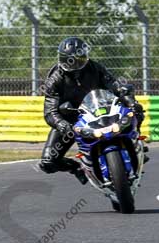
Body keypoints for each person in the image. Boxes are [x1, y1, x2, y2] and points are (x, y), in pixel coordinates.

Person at [40, 37, 146, 183]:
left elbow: (114, 85)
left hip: (101, 108)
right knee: (48, 162)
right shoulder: (54, 80)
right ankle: (77, 168)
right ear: (61, 58)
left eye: (79, 58)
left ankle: (136, 142)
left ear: (85, 56)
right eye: (69, 59)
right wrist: (61, 124)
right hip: (72, 119)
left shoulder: (94, 67)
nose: (75, 63)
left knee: (136, 109)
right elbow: (50, 111)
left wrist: (129, 100)